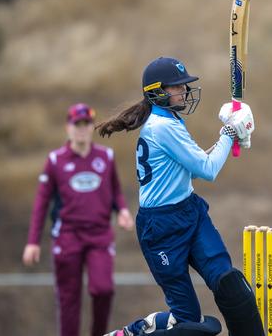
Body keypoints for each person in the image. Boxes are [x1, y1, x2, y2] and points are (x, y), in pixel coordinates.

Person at [96, 56, 262, 336]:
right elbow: (207, 170)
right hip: (161, 228)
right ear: (158, 91)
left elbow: (193, 169)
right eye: (178, 86)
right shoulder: (163, 127)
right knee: (191, 325)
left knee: (229, 283)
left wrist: (230, 137)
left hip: (190, 212)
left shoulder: (168, 119)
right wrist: (230, 132)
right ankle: (135, 332)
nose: (184, 91)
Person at [23, 103, 135, 336]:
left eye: (86, 124)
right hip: (67, 237)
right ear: (68, 127)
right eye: (77, 124)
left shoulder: (106, 156)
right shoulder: (56, 160)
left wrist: (122, 210)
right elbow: (41, 203)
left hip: (99, 235)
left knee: (103, 289)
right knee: (68, 300)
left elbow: (115, 190)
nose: (82, 129)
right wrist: (33, 242)